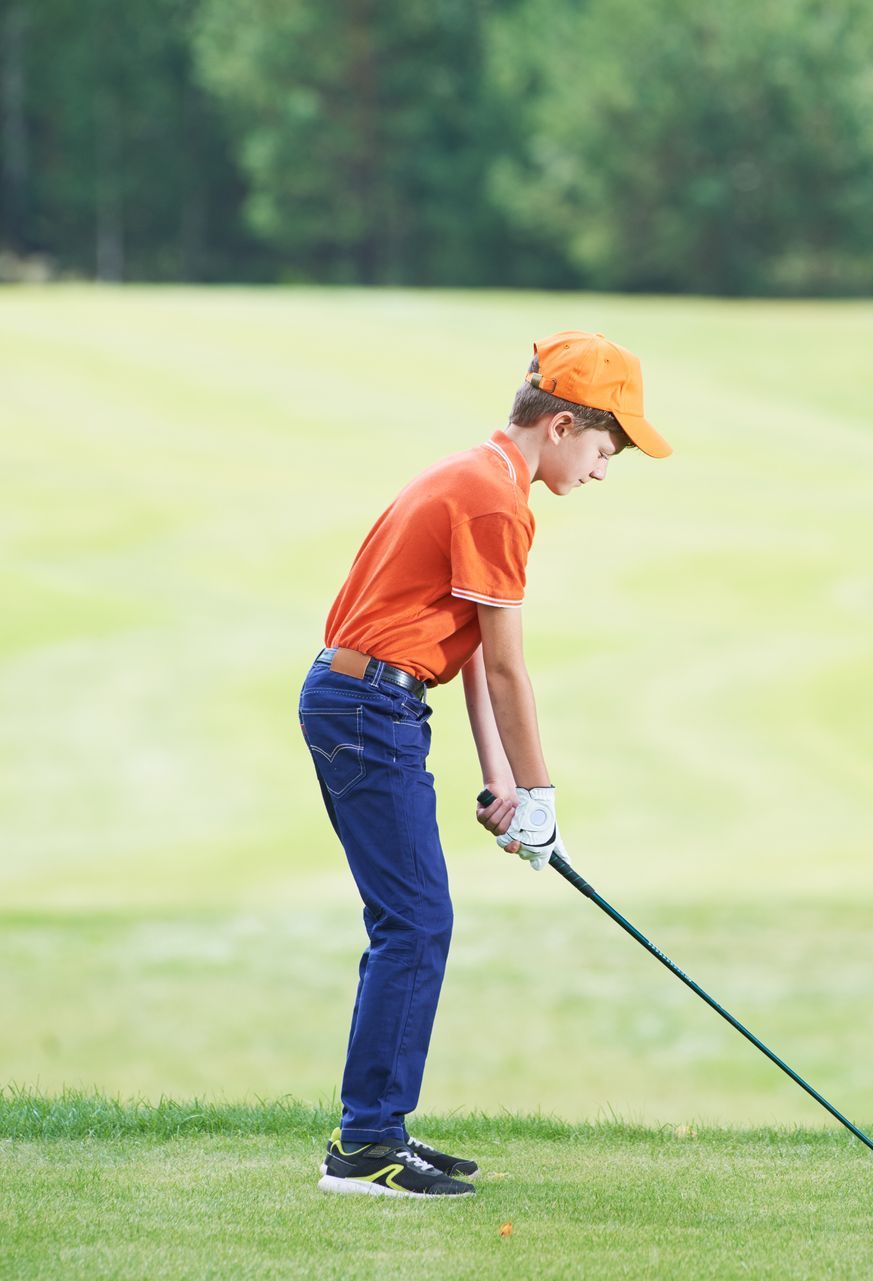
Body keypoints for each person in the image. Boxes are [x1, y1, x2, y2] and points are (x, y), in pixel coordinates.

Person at [298, 330, 671, 1197]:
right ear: (564, 423)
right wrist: (542, 795)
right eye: (605, 449)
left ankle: (375, 1130)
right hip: (367, 706)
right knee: (416, 922)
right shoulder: (496, 500)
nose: (604, 470)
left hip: (373, 700)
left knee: (415, 918)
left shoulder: (482, 474)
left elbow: (465, 649)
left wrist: (503, 777)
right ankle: (364, 1148)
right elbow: (506, 664)